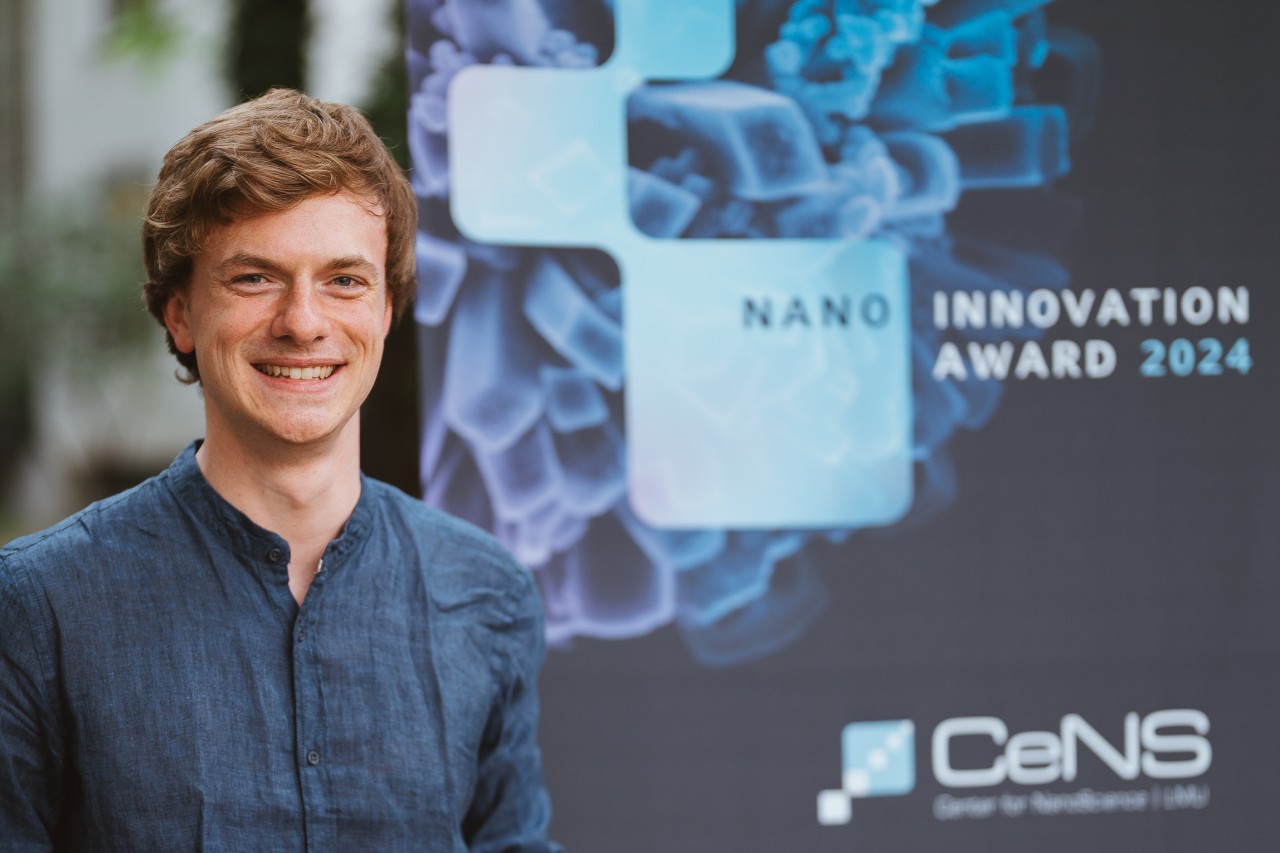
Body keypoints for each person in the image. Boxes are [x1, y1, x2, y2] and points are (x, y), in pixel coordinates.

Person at [0, 89, 561, 851]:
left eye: (344, 280)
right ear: (180, 313)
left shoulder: (485, 591)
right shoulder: (37, 607)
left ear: (388, 309)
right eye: (254, 277)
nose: (303, 321)